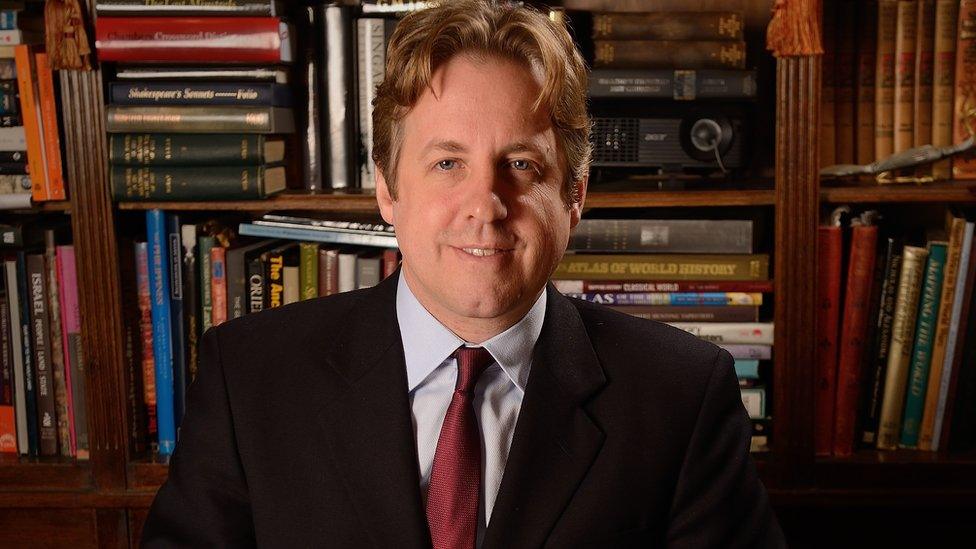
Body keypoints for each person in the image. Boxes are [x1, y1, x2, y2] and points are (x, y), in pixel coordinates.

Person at [141, 1, 786, 547]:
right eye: (448, 163)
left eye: (524, 166)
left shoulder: (682, 394)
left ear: (576, 196)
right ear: (388, 189)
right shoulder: (250, 378)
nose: (486, 205)